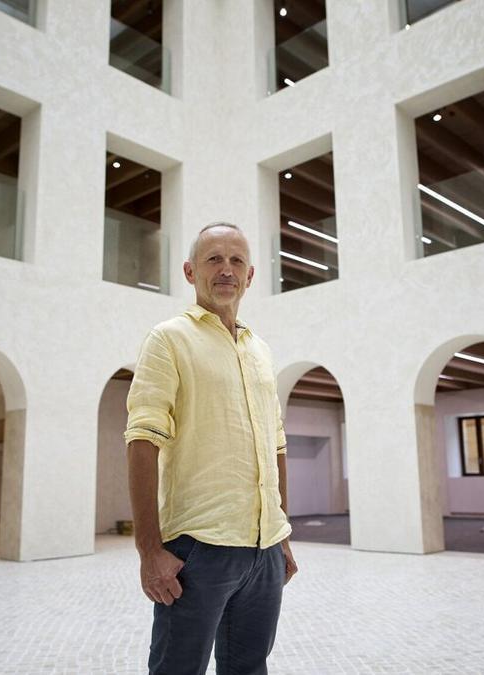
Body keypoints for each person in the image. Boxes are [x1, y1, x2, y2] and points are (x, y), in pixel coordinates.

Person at [125, 222, 298, 675]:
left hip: (263, 551)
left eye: (236, 260)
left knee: (248, 667)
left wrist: (281, 532)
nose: (226, 270)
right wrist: (148, 550)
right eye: (214, 259)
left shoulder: (259, 349)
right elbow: (143, 439)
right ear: (189, 271)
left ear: (251, 275)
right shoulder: (168, 339)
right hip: (197, 550)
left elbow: (275, 442)